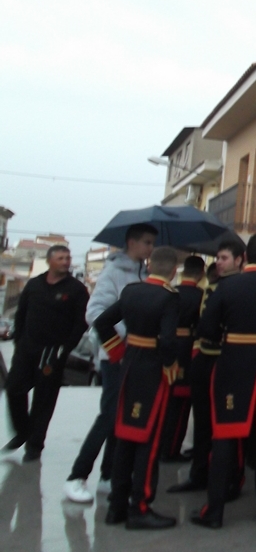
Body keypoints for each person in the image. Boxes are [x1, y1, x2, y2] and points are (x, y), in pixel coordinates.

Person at [190, 234, 256, 528]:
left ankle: (214, 511)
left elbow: (207, 329)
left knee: (224, 436)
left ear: (245, 256)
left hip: (233, 364)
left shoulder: (226, 287)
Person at [64, 223, 156, 504]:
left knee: (122, 417)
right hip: (115, 354)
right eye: (147, 243)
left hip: (136, 357)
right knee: (109, 416)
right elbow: (95, 313)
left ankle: (108, 476)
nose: (151, 248)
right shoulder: (113, 272)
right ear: (132, 243)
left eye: (153, 243)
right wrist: (127, 333)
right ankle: (77, 476)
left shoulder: (144, 273)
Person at [94, 246, 180, 529]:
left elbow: (102, 320)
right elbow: (167, 340)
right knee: (149, 441)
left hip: (129, 366)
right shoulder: (169, 298)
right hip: (153, 371)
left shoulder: (130, 291)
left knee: (125, 436)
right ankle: (139, 507)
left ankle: (116, 507)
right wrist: (170, 366)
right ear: (173, 269)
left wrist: (117, 351)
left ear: (150, 265)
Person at [168, 241, 246, 494]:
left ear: (239, 259)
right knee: (201, 422)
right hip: (204, 358)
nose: (219, 262)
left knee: (228, 424)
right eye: (218, 258)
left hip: (228, 360)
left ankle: (232, 479)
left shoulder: (242, 287)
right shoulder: (211, 288)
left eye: (224, 257)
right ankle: (199, 474)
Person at [4, 245, 89, 461]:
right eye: (61, 258)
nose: (66, 261)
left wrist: (66, 347)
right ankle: (22, 431)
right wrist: (19, 340)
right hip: (27, 348)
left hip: (53, 352)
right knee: (14, 388)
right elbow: (20, 314)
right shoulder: (34, 284)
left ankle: (34, 445)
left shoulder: (76, 289)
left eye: (68, 258)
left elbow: (81, 323)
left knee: (44, 400)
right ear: (50, 261)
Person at [158, 256, 205, 462]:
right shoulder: (200, 295)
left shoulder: (169, 292)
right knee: (181, 404)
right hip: (187, 348)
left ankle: (161, 446)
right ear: (201, 273)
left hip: (164, 347)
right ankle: (171, 449)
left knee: (166, 401)